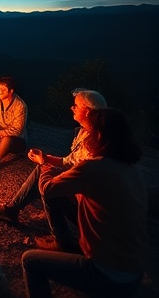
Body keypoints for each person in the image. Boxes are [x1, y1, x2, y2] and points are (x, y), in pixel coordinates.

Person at [22, 108, 148, 298]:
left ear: (98, 135)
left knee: (29, 261)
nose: (86, 135)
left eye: (89, 131)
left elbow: (47, 189)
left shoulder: (94, 167)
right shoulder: (132, 170)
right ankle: (66, 243)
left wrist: (44, 164)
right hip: (135, 272)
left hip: (109, 275)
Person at [0, 89, 107, 252]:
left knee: (49, 185)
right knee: (44, 168)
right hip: (77, 194)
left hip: (87, 210)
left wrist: (46, 165)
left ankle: (62, 240)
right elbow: (68, 161)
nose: (72, 108)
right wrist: (46, 158)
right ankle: (12, 209)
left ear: (88, 111)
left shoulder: (95, 144)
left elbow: (77, 177)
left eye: (76, 106)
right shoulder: (84, 132)